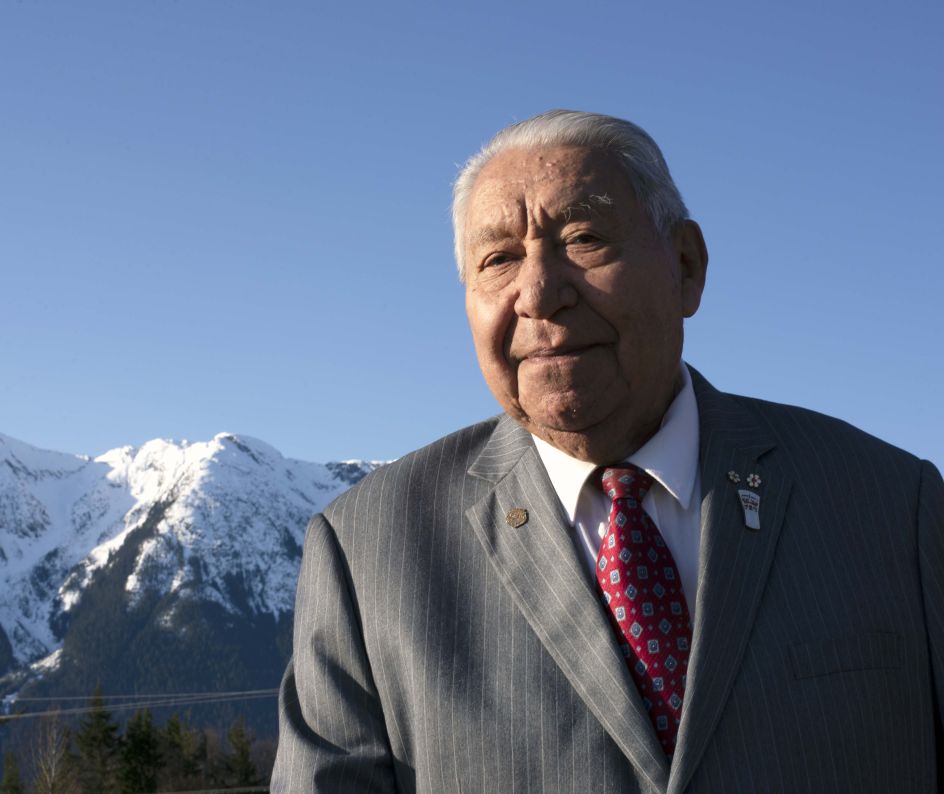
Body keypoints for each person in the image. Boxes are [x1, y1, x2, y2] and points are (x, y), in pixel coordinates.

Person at [270, 110, 944, 793]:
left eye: (584, 239)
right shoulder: (366, 550)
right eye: (498, 258)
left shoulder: (892, 505)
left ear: (686, 267)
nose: (538, 293)